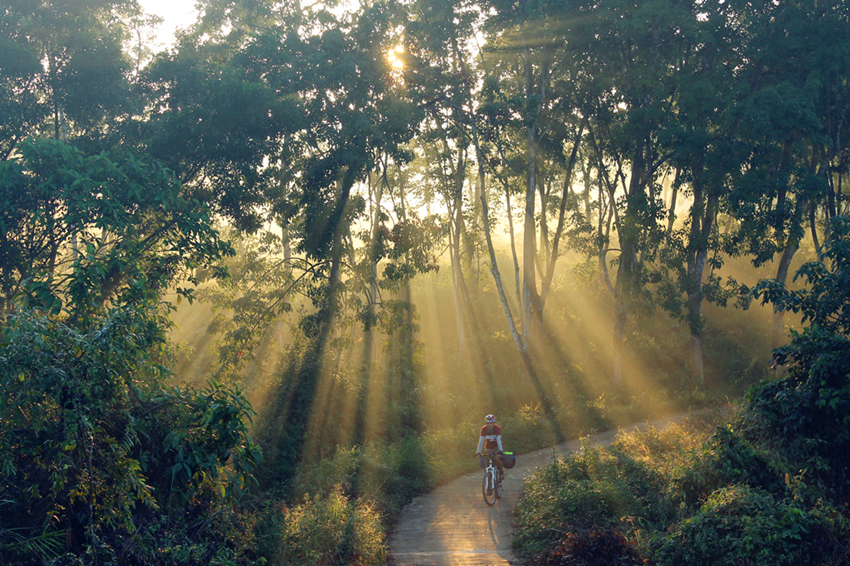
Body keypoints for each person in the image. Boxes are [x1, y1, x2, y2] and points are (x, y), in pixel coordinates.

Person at [475, 414, 505, 480]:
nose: (490, 425)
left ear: (494, 423)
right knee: (486, 463)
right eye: (488, 423)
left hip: (497, 446)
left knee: (497, 459)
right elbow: (481, 441)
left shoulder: (497, 428)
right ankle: (488, 478)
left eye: (491, 423)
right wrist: (478, 452)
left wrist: (500, 451)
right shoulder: (483, 429)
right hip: (488, 448)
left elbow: (498, 440)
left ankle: (501, 472)